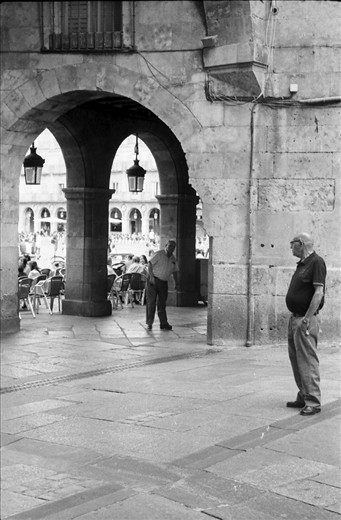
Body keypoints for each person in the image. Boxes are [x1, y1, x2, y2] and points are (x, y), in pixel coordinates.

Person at [285, 232, 327, 416]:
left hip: (305, 319)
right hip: (295, 318)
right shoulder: (302, 264)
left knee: (307, 360)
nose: (290, 247)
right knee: (296, 359)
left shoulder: (316, 262)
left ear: (300, 244)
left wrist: (308, 318)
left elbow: (318, 293)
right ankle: (303, 394)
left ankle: (313, 401)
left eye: (292, 243)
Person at [146, 239, 178, 331]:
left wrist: (176, 282)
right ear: (166, 245)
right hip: (153, 280)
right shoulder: (159, 254)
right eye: (170, 245)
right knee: (151, 303)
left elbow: (175, 271)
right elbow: (150, 264)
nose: (171, 248)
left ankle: (163, 323)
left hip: (163, 282)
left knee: (162, 303)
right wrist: (151, 277)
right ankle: (149, 323)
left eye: (173, 246)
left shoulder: (173, 258)